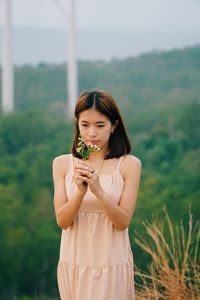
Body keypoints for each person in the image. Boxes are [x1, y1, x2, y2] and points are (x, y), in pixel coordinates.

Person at [52, 90, 142, 300]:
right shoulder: (62, 164)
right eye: (85, 125)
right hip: (74, 262)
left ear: (114, 126)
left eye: (100, 125)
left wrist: (98, 191)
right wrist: (79, 193)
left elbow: (123, 222)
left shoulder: (129, 165)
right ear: (77, 124)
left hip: (111, 264)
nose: (92, 133)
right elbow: (62, 221)